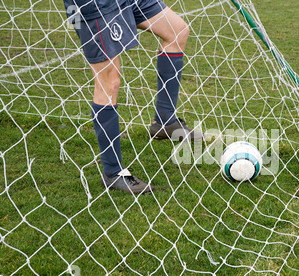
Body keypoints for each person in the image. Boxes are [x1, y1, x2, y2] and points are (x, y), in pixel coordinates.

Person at [64, 0, 203, 195]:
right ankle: (113, 172)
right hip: (94, 4)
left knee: (176, 31)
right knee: (109, 82)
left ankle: (165, 121)